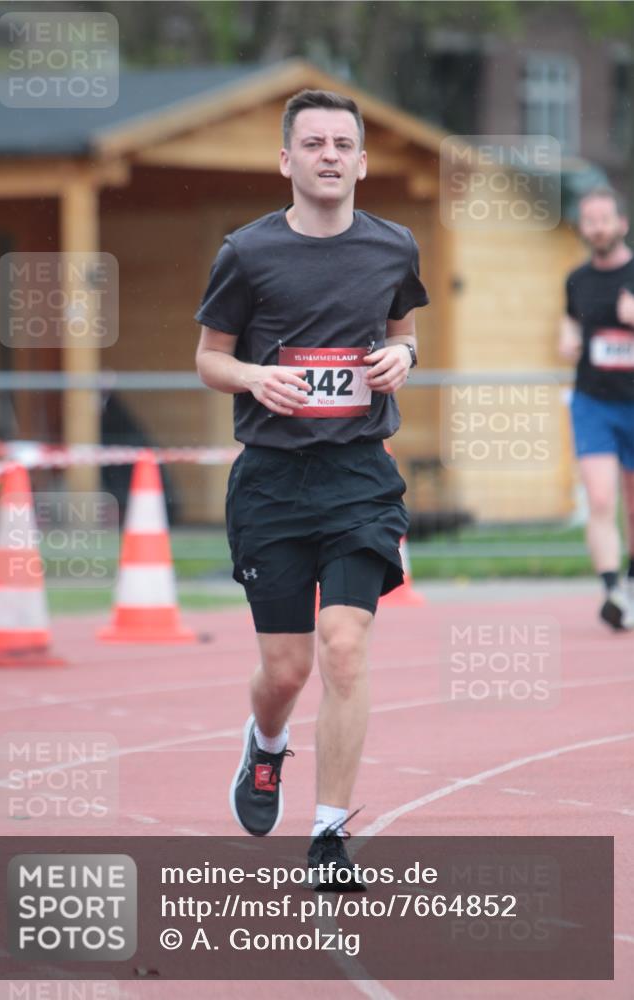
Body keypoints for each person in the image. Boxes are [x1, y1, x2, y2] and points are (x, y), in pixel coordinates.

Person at [194, 88, 428, 889]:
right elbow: (209, 358)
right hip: (271, 484)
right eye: (313, 143)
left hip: (360, 477)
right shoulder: (248, 252)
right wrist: (255, 376)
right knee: (287, 669)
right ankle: (264, 747)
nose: (329, 155)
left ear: (361, 160)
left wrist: (406, 357)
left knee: (345, 648)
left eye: (342, 144)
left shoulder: (393, 247)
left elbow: (400, 333)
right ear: (286, 159)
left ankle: (329, 835)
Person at [559, 187, 634, 630]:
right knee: (602, 497)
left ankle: (630, 582)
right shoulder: (577, 279)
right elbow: (569, 318)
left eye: (605, 218)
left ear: (621, 223)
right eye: (590, 220)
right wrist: (566, 337)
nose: (598, 227)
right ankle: (610, 592)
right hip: (593, 401)